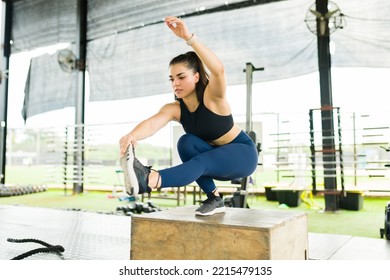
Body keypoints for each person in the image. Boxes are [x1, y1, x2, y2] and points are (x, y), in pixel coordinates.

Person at [119, 16, 258, 216]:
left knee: (200, 162)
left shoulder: (212, 98)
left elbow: (218, 70)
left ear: (196, 77)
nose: (176, 83)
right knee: (186, 142)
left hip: (242, 156)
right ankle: (215, 198)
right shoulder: (175, 108)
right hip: (214, 155)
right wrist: (132, 136)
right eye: (172, 79)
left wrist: (189, 38)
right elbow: (152, 124)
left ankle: (150, 180)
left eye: (181, 77)